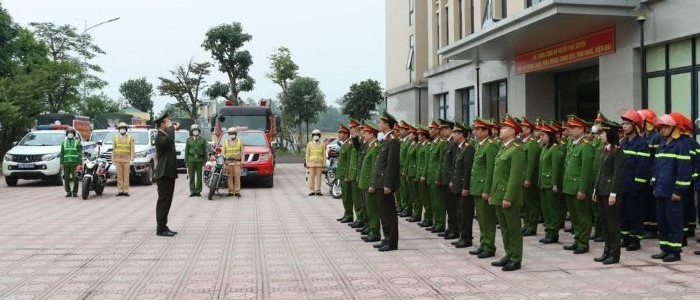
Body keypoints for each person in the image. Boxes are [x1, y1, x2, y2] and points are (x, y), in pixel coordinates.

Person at [651, 113, 692, 262]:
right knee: (662, 222)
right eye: (661, 127)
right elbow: (656, 167)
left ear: (674, 128)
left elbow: (685, 172)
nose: (663, 130)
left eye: (666, 127)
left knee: (674, 222)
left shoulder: (680, 146)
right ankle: (665, 248)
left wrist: (679, 191)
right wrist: (654, 183)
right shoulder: (662, 145)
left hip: (672, 193)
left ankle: (675, 251)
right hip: (661, 190)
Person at [489, 115, 526, 272]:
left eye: (504, 128)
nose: (500, 130)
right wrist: (492, 193)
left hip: (508, 196)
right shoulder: (504, 148)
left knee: (513, 228)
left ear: (512, 131)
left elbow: (515, 177)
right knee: (504, 228)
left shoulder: (517, 150)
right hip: (498, 194)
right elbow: (497, 175)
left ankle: (516, 258)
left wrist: (508, 197)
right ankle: (509, 253)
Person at [592, 120, 624, 265]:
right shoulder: (605, 149)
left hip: (610, 193)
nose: (600, 135)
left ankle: (614, 254)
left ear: (610, 134)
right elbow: (600, 172)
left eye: (603, 133)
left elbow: (617, 174)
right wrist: (595, 189)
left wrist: (613, 194)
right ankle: (607, 251)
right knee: (605, 223)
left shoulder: (617, 150)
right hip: (602, 191)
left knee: (613, 225)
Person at [562, 115, 594, 254]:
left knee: (582, 216)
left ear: (581, 129)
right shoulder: (574, 144)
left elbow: (586, 171)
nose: (570, 130)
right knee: (574, 217)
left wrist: (582, 189)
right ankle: (577, 239)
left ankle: (583, 243)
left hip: (578, 187)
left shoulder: (586, 146)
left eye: (573, 127)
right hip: (569, 186)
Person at [620, 110, 651, 251]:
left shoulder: (642, 144)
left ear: (635, 125)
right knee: (624, 213)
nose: (624, 126)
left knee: (635, 214)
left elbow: (642, 167)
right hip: (623, 185)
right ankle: (625, 237)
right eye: (623, 123)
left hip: (635, 187)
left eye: (627, 124)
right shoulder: (623, 143)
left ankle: (635, 239)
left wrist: (638, 186)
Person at [469, 118, 499, 258]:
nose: (475, 132)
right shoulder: (480, 145)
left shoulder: (491, 146)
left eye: (478, 129)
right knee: (481, 218)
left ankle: (489, 246)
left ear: (486, 131)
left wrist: (487, 190)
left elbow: (490, 170)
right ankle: (483, 243)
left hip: (483, 188)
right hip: (477, 187)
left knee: (487, 219)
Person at [371, 111, 401, 252]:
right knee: (383, 213)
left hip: (386, 183)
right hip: (380, 182)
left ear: (387, 125)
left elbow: (391, 165)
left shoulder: (393, 141)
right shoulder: (385, 140)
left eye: (381, 123)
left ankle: (392, 241)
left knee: (389, 213)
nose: (379, 124)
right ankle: (386, 238)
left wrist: (388, 184)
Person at [536, 120, 565, 244]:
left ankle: (553, 233)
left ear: (550, 136)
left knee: (553, 210)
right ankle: (548, 231)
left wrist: (554, 184)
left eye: (544, 135)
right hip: (543, 183)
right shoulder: (545, 148)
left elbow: (556, 168)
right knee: (545, 210)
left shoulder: (555, 149)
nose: (542, 137)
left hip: (550, 184)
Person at [449, 122, 475, 248]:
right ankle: (462, 236)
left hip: (464, 188)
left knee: (465, 214)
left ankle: (467, 238)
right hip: (458, 186)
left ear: (461, 134)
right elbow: (456, 168)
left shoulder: (468, 148)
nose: (453, 135)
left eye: (455, 132)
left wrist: (466, 187)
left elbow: (468, 170)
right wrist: (453, 181)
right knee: (460, 212)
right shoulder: (460, 148)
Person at [154, 112, 178, 237]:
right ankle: (161, 228)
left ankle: (164, 225)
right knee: (163, 201)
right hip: (163, 174)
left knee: (167, 201)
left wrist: (172, 128)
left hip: (168, 173)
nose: (170, 123)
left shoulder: (164, 135)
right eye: (167, 121)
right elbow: (169, 140)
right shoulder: (159, 136)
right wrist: (171, 128)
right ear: (162, 123)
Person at [360, 122, 381, 243]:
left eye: (366, 133)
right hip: (366, 182)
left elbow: (375, 168)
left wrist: (373, 184)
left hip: (370, 184)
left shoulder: (375, 148)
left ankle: (375, 232)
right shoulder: (370, 146)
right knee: (369, 208)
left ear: (372, 134)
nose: (364, 135)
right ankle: (372, 230)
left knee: (373, 209)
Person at [520, 118, 541, 236]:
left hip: (530, 179)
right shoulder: (524, 143)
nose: (521, 129)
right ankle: (527, 224)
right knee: (526, 204)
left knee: (531, 204)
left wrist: (528, 178)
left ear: (528, 130)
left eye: (523, 128)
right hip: (523, 178)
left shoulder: (532, 143)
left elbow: (531, 163)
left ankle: (532, 226)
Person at [335, 124, 353, 222]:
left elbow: (349, 161)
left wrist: (347, 175)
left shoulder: (349, 145)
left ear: (346, 134)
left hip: (346, 175)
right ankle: (346, 213)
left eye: (341, 133)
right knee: (344, 196)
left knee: (348, 197)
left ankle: (349, 215)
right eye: (339, 133)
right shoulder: (344, 144)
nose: (339, 135)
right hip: (342, 175)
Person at [112, 122, 135, 197]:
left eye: (123, 128)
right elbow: (114, 149)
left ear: (126, 129)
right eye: (121, 128)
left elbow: (132, 149)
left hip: (127, 160)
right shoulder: (115, 137)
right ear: (119, 130)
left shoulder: (130, 137)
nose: (122, 130)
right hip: (118, 160)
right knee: (119, 176)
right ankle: (120, 191)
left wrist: (132, 159)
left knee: (126, 176)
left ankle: (126, 191)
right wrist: (113, 159)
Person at [185, 124, 208, 197]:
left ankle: (198, 191)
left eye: (196, 130)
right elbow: (186, 151)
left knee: (199, 177)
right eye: (194, 130)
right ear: (192, 132)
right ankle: (192, 191)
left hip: (199, 160)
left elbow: (205, 151)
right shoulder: (189, 140)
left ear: (199, 131)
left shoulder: (202, 140)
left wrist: (205, 160)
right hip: (191, 160)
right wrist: (186, 161)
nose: (195, 132)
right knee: (191, 177)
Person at [60, 126, 82, 198]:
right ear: (67, 134)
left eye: (71, 133)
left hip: (74, 163)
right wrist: (61, 163)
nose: (70, 134)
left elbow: (80, 154)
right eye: (69, 133)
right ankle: (68, 192)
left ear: (74, 134)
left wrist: (80, 164)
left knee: (75, 178)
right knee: (66, 179)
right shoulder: (63, 142)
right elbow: (62, 153)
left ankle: (75, 192)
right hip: (66, 163)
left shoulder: (77, 142)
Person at [223, 127, 245, 197]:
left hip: (237, 163)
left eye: (233, 133)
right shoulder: (225, 142)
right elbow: (223, 153)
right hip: (228, 162)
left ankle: (237, 191)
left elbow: (242, 153)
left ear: (236, 134)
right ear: (228, 134)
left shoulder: (240, 141)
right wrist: (224, 162)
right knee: (229, 177)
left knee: (237, 177)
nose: (232, 135)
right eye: (230, 134)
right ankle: (231, 192)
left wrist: (242, 162)